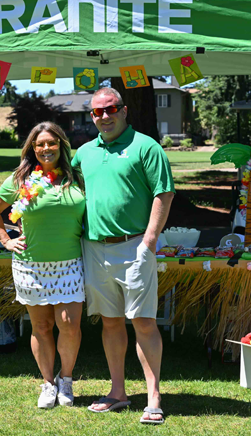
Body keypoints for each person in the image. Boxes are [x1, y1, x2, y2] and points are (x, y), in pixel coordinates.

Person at [73, 87, 175, 425]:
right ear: (91, 116)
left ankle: (154, 397)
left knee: (143, 322)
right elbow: (62, 187)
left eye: (111, 109)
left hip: (135, 247)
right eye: (98, 112)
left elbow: (164, 193)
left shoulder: (147, 147)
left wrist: (149, 240)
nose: (105, 116)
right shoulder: (84, 153)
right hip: (94, 248)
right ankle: (118, 392)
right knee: (110, 321)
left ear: (124, 110)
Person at [0, 122, 86, 409]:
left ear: (61, 146)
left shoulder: (75, 177)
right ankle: (48, 384)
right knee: (41, 326)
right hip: (32, 265)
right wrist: (5, 238)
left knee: (69, 324)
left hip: (70, 263)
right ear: (32, 149)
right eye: (40, 144)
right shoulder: (21, 179)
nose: (46, 149)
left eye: (51, 143)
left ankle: (65, 379)